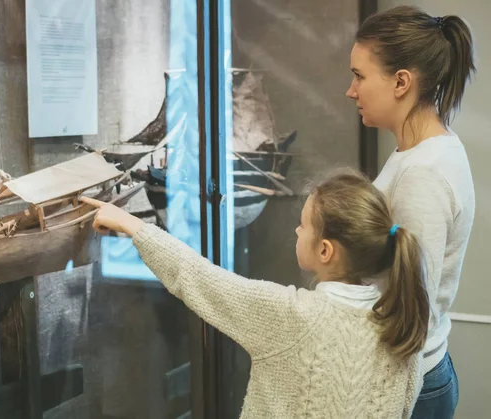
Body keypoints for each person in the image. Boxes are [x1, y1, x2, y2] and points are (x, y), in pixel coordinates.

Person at [88, 170, 429, 418]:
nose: (296, 230)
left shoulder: (293, 317)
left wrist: (132, 225)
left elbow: (198, 277)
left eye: (303, 224)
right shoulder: (403, 329)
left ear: (325, 251)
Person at [346, 6, 476, 417]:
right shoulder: (418, 151)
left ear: (401, 81)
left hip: (411, 385)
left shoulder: (423, 175)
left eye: (359, 76)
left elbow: (411, 309)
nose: (351, 91)